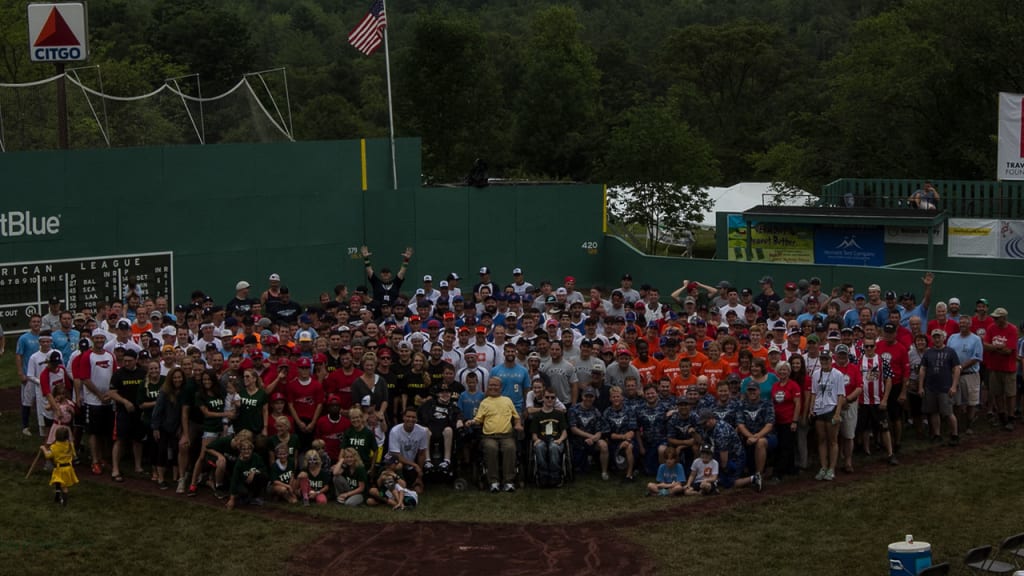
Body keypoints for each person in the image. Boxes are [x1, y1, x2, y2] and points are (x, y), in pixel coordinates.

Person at [473, 376, 524, 493]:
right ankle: (493, 481)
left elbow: (516, 417)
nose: (493, 387)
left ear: (501, 387)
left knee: (510, 448)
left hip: (507, 435)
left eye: (496, 385)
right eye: (491, 385)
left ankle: (508, 482)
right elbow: (478, 419)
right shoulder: (484, 402)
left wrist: (518, 425)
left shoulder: (507, 400)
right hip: (489, 436)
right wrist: (472, 421)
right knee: (491, 448)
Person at [919, 329, 961, 445]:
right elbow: (923, 369)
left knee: (948, 413)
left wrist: (954, 386)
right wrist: (921, 387)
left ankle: (955, 434)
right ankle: (937, 434)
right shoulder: (928, 352)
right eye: (935, 337)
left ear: (943, 338)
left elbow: (957, 369)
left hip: (945, 387)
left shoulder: (950, 352)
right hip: (931, 387)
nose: (937, 339)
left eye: (939, 337)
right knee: (933, 412)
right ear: (932, 339)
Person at [809, 351, 846, 481]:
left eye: (827, 359)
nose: (824, 362)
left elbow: (841, 394)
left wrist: (837, 413)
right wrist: (811, 408)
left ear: (831, 360)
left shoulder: (838, 374)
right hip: (819, 410)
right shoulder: (815, 374)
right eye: (822, 359)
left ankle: (832, 468)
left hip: (831, 408)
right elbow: (814, 392)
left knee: (832, 440)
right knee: (822, 439)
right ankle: (823, 466)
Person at [983, 308, 1018, 431]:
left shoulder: (1012, 329)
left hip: (1008, 368)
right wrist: (998, 347)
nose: (995, 320)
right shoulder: (991, 328)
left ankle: (1011, 417)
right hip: (994, 367)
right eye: (994, 318)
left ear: (1004, 318)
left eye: (997, 318)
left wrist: (993, 348)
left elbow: (1009, 350)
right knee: (997, 393)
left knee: (1010, 394)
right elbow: (985, 345)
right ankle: (1002, 416)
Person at [530, 387, 569, 487]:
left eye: (552, 397)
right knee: (539, 447)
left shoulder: (559, 414)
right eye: (547, 397)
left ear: (555, 399)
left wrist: (560, 440)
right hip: (541, 440)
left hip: (556, 440)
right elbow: (534, 433)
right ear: (543, 398)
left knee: (554, 447)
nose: (550, 400)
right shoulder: (537, 415)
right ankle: (543, 475)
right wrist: (536, 440)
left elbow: (564, 432)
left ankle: (555, 476)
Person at [387, 407, 428, 493]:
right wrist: (415, 465)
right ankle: (396, 485)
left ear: (416, 419)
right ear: (403, 417)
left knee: (418, 490)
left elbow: (422, 454)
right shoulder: (395, 431)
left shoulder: (422, 431)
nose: (411, 419)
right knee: (399, 465)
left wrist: (419, 473)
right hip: (396, 463)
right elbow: (396, 455)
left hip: (411, 464)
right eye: (408, 416)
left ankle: (414, 482)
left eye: (413, 417)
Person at [226, 438, 268, 509]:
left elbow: (264, 469)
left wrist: (254, 471)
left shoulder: (256, 457)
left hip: (251, 482)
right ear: (240, 450)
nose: (246, 451)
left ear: (252, 450)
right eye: (244, 449)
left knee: (263, 476)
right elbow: (234, 480)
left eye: (249, 449)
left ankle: (255, 497)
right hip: (241, 483)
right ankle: (241, 496)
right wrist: (231, 499)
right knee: (243, 493)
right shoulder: (238, 463)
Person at [40, 426, 77, 506]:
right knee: (58, 481)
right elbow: (74, 455)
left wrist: (43, 448)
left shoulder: (55, 447)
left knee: (64, 486)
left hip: (60, 468)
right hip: (68, 467)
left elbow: (48, 455)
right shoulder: (70, 445)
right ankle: (57, 495)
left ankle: (64, 501)